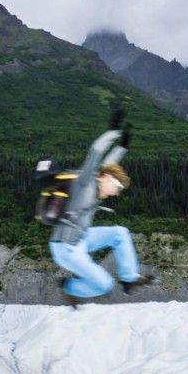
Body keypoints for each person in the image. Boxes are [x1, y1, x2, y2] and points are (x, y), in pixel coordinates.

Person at [49, 109, 152, 306]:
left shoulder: (101, 182)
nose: (117, 192)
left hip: (82, 237)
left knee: (120, 233)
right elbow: (95, 152)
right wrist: (113, 131)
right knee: (104, 284)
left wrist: (123, 146)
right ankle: (67, 286)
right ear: (105, 178)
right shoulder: (85, 181)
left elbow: (109, 164)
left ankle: (129, 280)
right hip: (66, 248)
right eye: (117, 187)